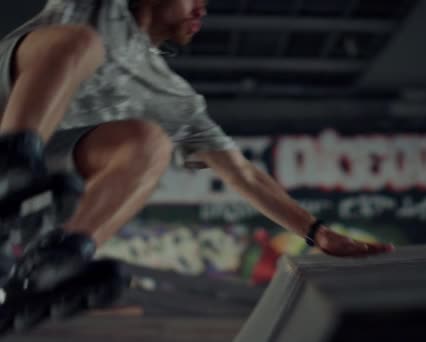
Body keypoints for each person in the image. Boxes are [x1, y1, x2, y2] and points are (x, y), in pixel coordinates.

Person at [0, 0, 394, 329]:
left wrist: (317, 233)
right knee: (82, 42)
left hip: (39, 176)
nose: (204, 8)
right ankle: (12, 159)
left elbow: (242, 173)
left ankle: (56, 260)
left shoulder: (173, 100)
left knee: (150, 144)